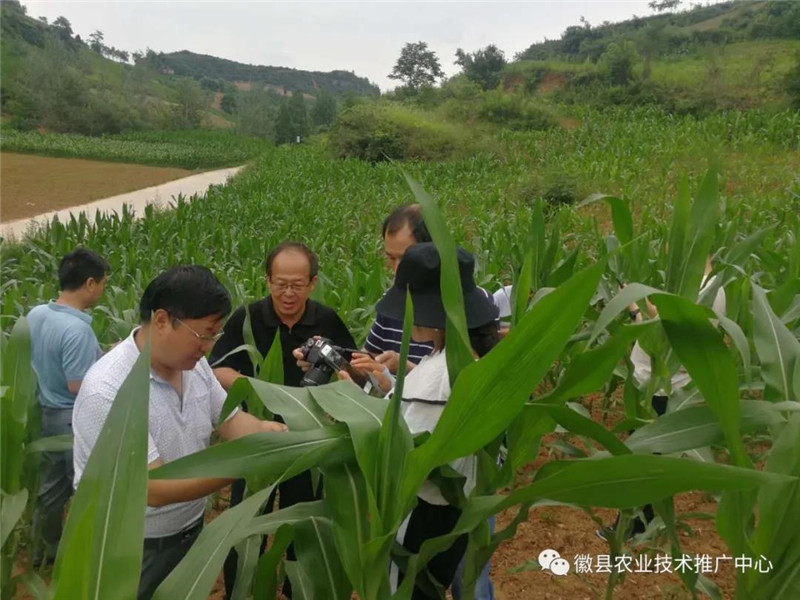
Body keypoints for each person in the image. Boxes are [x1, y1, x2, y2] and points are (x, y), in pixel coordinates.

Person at [72, 265, 287, 599]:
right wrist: (249, 463)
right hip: (129, 551)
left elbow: (230, 420)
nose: (208, 347)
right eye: (204, 334)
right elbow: (153, 487)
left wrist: (268, 432)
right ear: (161, 320)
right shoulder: (110, 391)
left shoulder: (194, 364)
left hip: (189, 533)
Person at [334, 243, 500, 600]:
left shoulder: (440, 377)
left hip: (423, 516)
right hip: (453, 510)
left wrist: (353, 399)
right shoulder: (465, 358)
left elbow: (403, 449)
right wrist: (384, 385)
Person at [208, 241, 356, 599]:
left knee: (302, 523)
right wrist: (261, 388)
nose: (288, 293)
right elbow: (216, 369)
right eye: (280, 283)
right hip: (255, 436)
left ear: (313, 282)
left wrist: (338, 370)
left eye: (297, 284)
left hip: (308, 439)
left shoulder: (326, 320)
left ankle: (297, 589)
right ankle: (241, 590)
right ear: (268, 280)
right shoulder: (247, 318)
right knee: (246, 525)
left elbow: (352, 370)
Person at [598, 256, 726, 540]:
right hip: (663, 385)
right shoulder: (705, 288)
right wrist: (641, 308)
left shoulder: (702, 291)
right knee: (652, 456)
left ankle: (632, 525)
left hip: (660, 388)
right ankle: (647, 520)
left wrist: (639, 307)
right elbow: (664, 327)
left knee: (641, 457)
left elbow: (662, 336)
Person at [27, 247, 110, 566]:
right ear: (90, 283)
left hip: (46, 416)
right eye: (102, 282)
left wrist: (100, 354)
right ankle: (88, 558)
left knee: (50, 493)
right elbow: (78, 385)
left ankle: (42, 553)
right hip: (72, 422)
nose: (103, 288)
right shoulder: (77, 330)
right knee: (90, 491)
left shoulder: (37, 314)